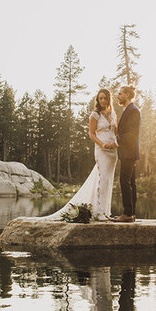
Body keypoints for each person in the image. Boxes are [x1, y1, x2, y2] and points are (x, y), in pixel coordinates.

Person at [43, 88, 118, 221]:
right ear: (97, 100)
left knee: (109, 179)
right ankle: (98, 212)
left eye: (105, 98)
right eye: (100, 98)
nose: (102, 100)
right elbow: (91, 134)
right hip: (102, 149)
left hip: (113, 151)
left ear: (108, 99)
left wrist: (115, 143)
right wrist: (103, 145)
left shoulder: (112, 113)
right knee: (103, 178)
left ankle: (106, 211)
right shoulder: (95, 115)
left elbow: (116, 131)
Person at [113, 85, 140, 223]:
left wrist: (117, 141)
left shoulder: (133, 110)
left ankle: (127, 213)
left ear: (128, 95)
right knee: (130, 182)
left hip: (129, 151)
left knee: (124, 180)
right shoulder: (128, 110)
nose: (118, 96)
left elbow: (132, 134)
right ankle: (132, 214)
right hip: (128, 151)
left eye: (120, 94)